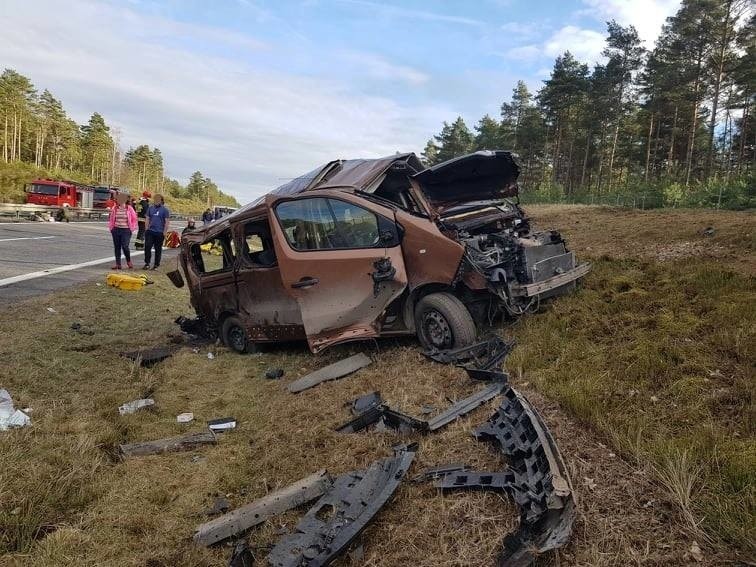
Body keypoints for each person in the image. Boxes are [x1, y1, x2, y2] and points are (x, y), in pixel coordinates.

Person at [108, 192, 138, 269]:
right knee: (117, 247)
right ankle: (118, 264)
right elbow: (111, 219)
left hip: (126, 230)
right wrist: (111, 228)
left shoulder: (129, 208)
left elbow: (134, 219)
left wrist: (132, 229)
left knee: (125, 246)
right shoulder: (115, 208)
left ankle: (128, 261)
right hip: (116, 229)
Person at [143, 193, 170, 270]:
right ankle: (147, 263)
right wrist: (146, 229)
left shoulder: (165, 210)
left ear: (161, 201)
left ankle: (156, 265)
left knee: (158, 249)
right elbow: (147, 219)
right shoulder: (150, 208)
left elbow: (167, 222)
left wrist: (164, 232)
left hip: (159, 232)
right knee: (147, 247)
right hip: (150, 231)